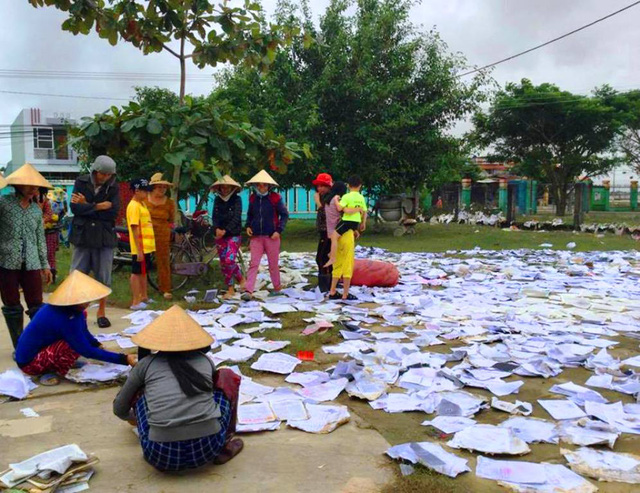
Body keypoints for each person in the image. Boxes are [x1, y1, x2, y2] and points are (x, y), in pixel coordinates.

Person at [113, 305, 243, 472]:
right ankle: (225, 444)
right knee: (225, 376)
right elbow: (208, 395)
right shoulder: (204, 360)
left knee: (140, 391)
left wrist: (138, 418)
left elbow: (119, 408)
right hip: (209, 448)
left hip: (159, 455)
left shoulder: (145, 365)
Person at [15, 270, 136, 386]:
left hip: (41, 350)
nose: (88, 302)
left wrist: (96, 343)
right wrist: (123, 359)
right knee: (71, 346)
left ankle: (57, 365)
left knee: (77, 342)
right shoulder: (65, 317)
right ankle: (48, 371)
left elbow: (83, 331)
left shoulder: (76, 312)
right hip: (29, 363)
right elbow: (85, 350)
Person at [0, 164, 53, 351]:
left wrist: (45, 265)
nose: (33, 190)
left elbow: (40, 240)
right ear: (19, 185)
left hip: (32, 263)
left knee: (37, 305)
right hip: (7, 261)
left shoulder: (36, 211)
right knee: (12, 305)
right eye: (29, 185)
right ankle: (19, 346)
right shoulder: (4, 204)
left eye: (36, 187)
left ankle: (37, 344)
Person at [70, 155, 120, 329]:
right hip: (82, 236)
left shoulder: (113, 187)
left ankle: (101, 312)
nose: (105, 177)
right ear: (95, 171)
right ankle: (74, 311)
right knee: (76, 275)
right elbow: (75, 208)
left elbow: (113, 213)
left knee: (103, 277)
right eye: (102, 174)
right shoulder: (81, 182)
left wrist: (87, 205)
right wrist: (98, 206)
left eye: (109, 175)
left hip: (103, 237)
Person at [242, 170, 289, 301]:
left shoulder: (275, 198)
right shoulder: (252, 198)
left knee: (273, 264)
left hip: (271, 236)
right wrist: (248, 226)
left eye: (264, 185)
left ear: (269, 186)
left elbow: (284, 215)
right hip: (256, 236)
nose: (261, 187)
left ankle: (277, 287)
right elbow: (250, 214)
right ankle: (248, 290)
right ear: (256, 186)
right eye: (259, 185)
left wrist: (278, 230)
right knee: (253, 263)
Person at [211, 175, 245, 300]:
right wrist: (216, 229)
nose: (225, 190)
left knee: (229, 259)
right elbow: (214, 217)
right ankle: (230, 287)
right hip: (220, 235)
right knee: (224, 263)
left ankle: (240, 279)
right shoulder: (217, 200)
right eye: (222, 187)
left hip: (233, 234)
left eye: (227, 187)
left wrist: (226, 230)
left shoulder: (237, 200)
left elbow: (237, 218)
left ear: (232, 188)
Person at [325, 175, 367, 267]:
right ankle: (332, 254)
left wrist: (336, 200)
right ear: (360, 186)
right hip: (356, 222)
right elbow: (365, 211)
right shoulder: (361, 197)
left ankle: (332, 257)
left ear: (348, 185)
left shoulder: (346, 196)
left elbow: (340, 208)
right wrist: (363, 223)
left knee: (334, 236)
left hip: (347, 220)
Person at [145, 173, 176, 301]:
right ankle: (142, 290)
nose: (162, 190)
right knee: (143, 261)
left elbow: (171, 219)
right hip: (146, 233)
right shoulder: (144, 200)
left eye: (164, 187)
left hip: (163, 233)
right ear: (153, 187)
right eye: (159, 187)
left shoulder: (169, 203)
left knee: (163, 261)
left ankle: (165, 289)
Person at [127, 178, 156, 310]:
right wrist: (138, 250)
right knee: (136, 272)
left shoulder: (142, 204)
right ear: (137, 191)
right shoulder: (133, 206)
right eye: (145, 191)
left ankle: (144, 296)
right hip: (139, 247)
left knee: (144, 271)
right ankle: (135, 301)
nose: (147, 194)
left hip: (147, 246)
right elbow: (134, 228)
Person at [312, 173, 333, 292]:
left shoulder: (329, 198)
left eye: (322, 186)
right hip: (324, 232)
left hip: (328, 232)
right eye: (318, 186)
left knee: (322, 257)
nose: (319, 189)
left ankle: (326, 285)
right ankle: (325, 283)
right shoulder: (324, 196)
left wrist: (318, 203)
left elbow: (327, 213)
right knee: (323, 257)